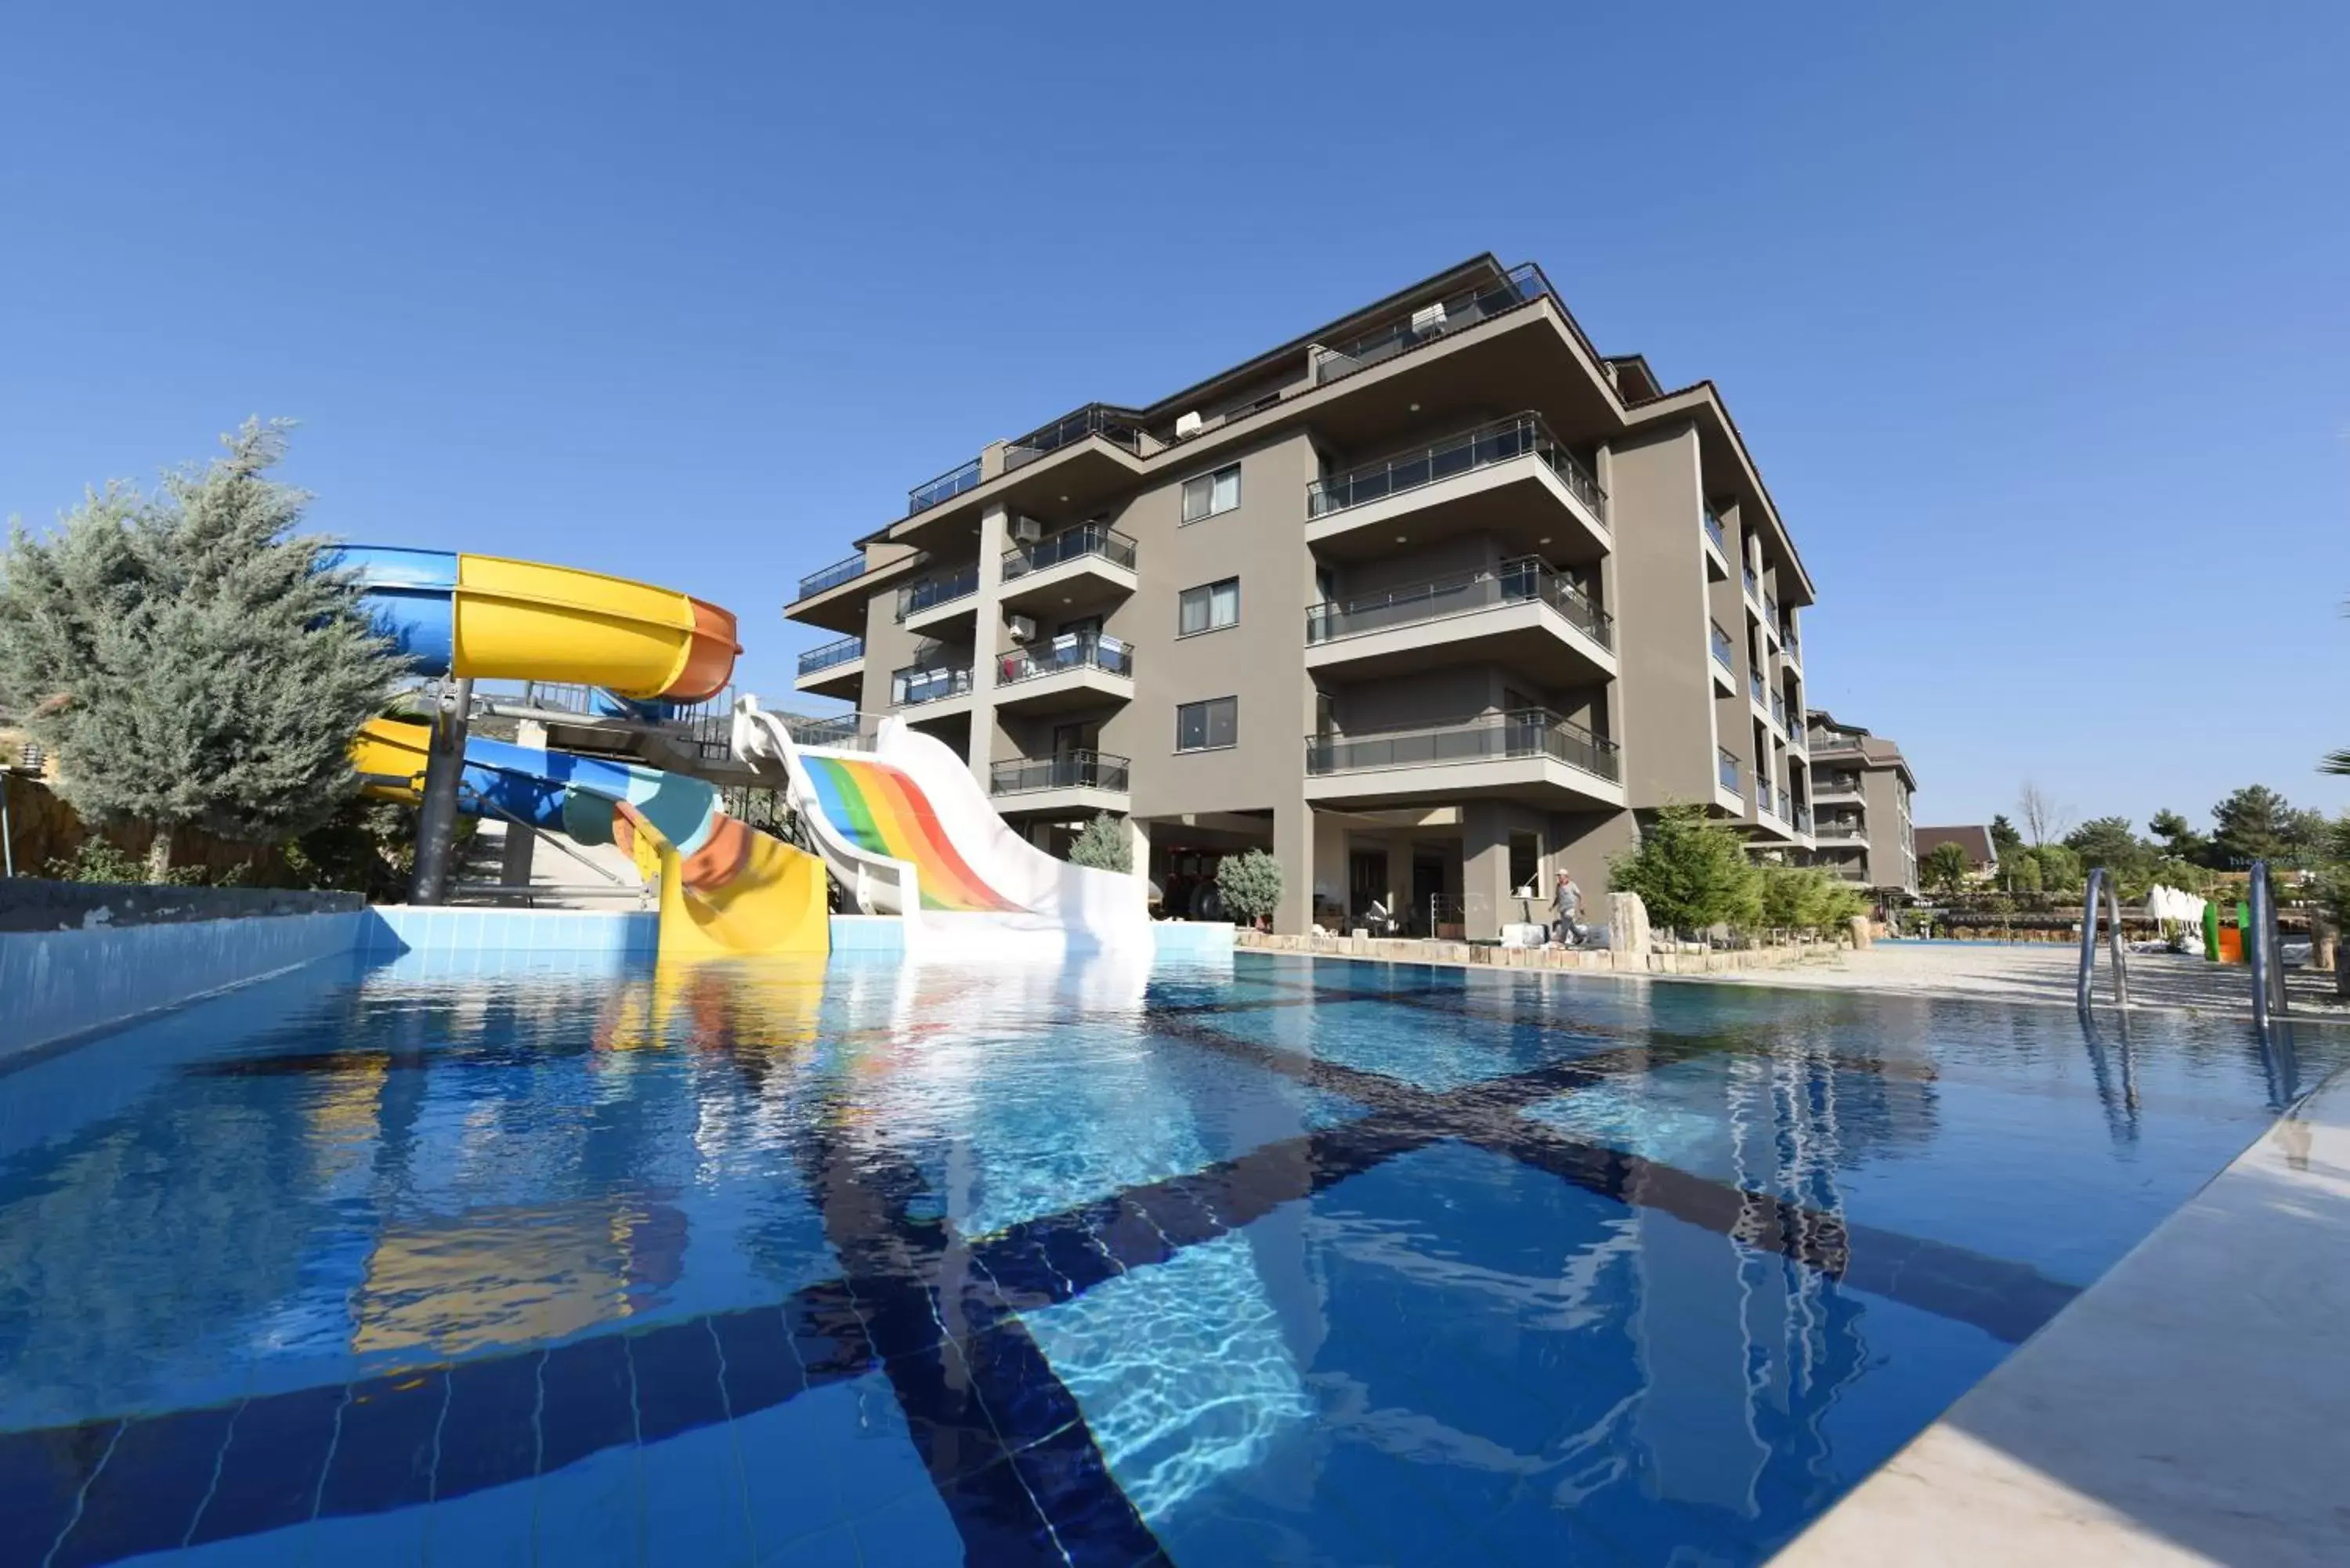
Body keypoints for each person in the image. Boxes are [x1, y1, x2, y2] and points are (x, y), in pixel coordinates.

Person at [1553, 869, 1584, 947]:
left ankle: (1562, 940)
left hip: (1570, 908)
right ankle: (1580, 936)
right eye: (1558, 876)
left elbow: (1580, 895)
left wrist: (1581, 906)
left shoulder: (1572, 885)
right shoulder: (1558, 886)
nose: (1559, 877)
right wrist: (1553, 906)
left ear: (1565, 876)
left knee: (1565, 923)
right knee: (1570, 925)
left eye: (1560, 875)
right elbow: (1558, 897)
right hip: (1562, 909)